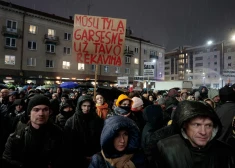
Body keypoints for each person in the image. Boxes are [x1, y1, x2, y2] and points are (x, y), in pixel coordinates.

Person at [154, 100, 235, 168]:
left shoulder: (225, 152)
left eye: (208, 125)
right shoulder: (166, 149)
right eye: (197, 125)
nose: (203, 132)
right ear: (185, 125)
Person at [2, 95, 64, 168]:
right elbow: (7, 158)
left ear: (49, 112)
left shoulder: (58, 134)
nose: (41, 114)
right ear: (29, 113)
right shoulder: (18, 134)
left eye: (45, 109)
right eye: (36, 110)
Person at [64, 95, 104, 168]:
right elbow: (69, 143)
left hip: (95, 156)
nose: (86, 108)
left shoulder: (97, 120)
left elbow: (100, 138)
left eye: (88, 106)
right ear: (80, 106)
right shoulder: (71, 122)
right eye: (84, 106)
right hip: (77, 158)